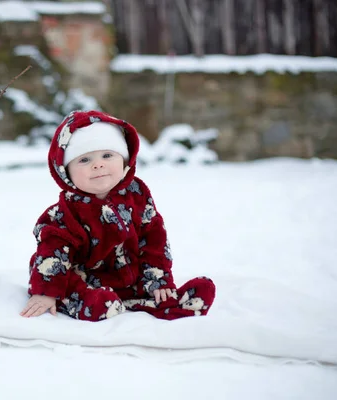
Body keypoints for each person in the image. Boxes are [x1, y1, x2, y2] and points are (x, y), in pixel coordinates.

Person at [20, 110, 215, 321]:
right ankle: (92, 303)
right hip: (85, 278)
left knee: (164, 289)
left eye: (107, 155)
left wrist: (158, 279)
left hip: (128, 278)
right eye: (84, 159)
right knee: (74, 286)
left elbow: (153, 239)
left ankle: (169, 303)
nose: (98, 164)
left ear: (124, 160)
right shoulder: (64, 213)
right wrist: (47, 292)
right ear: (65, 172)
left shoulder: (137, 195)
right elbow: (53, 252)